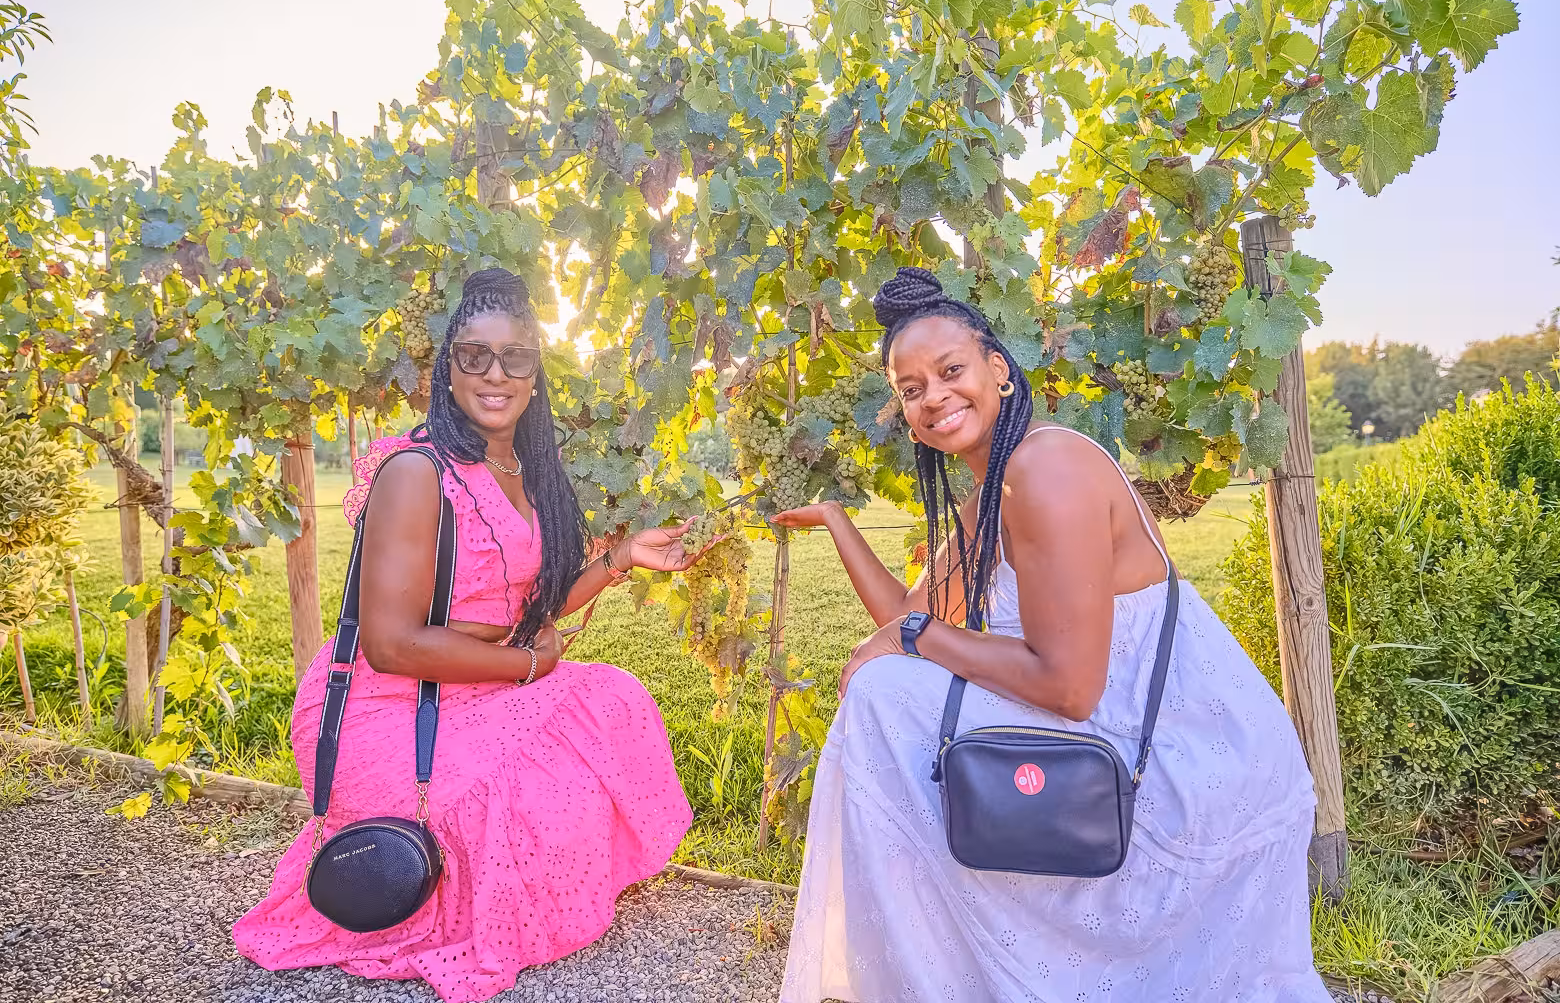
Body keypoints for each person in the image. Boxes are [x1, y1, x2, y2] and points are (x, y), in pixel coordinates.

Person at [774, 266, 1331, 1002]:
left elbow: (1067, 688)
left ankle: (931, 974)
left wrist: (913, 637)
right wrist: (839, 524)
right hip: (1118, 724)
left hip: (1181, 756)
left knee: (884, 694)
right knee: (888, 683)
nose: (933, 397)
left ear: (998, 371)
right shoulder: (997, 484)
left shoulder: (1046, 469)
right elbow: (904, 617)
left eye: (950, 371)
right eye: (911, 389)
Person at [233, 268, 700, 1003]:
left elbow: (531, 606)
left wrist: (619, 559)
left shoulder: (522, 467)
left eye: (514, 356)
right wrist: (522, 666)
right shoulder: (416, 471)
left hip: (474, 683)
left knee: (612, 700)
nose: (494, 373)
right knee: (526, 799)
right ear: (447, 371)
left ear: (536, 373)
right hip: (387, 706)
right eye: (473, 355)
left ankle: (527, 885)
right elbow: (390, 644)